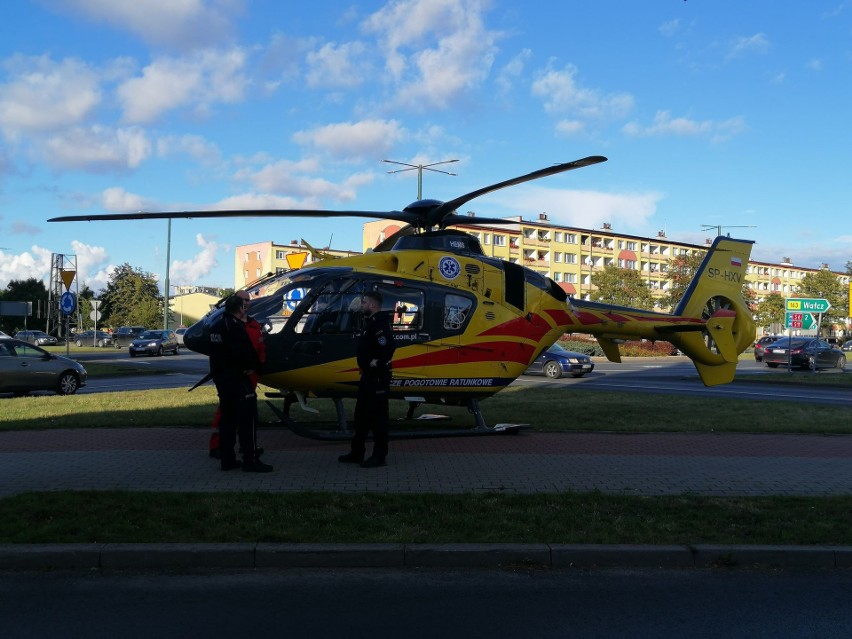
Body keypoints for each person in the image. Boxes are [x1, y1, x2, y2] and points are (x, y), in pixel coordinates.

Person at [208, 294, 272, 473]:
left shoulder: (216, 325)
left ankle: (227, 459)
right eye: (245, 304)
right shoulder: (236, 327)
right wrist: (254, 367)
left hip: (222, 380)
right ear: (240, 308)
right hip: (239, 379)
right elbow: (245, 352)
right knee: (247, 421)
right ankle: (250, 460)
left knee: (227, 420)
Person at [338, 291, 396, 468]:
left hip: (377, 379)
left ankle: (379, 456)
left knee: (378, 418)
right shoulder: (370, 323)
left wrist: (375, 363)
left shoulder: (379, 325)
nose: (361, 305)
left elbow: (388, 347)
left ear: (372, 305)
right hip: (367, 378)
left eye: (363, 303)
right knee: (360, 417)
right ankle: (357, 452)